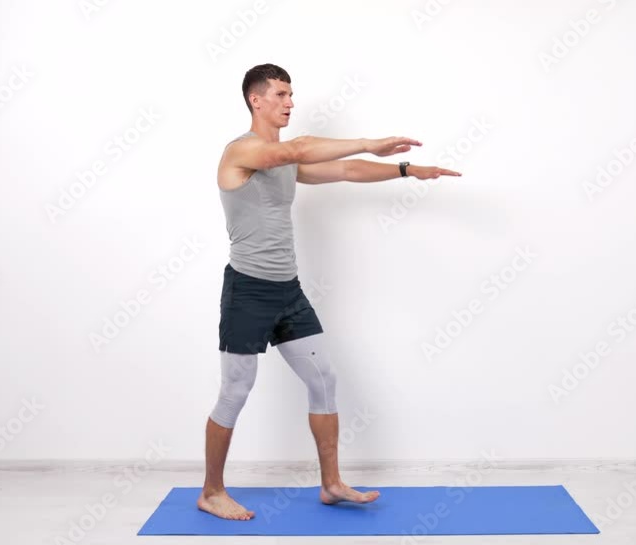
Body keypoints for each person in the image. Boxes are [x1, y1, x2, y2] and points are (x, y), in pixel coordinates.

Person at [198, 63, 462, 520]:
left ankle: (332, 484)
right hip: (247, 290)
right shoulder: (241, 151)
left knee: (324, 379)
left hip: (288, 291)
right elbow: (299, 148)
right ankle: (211, 491)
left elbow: (347, 170)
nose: (290, 102)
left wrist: (405, 169)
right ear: (255, 100)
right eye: (280, 94)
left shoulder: (286, 161)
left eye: (291, 94)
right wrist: (369, 140)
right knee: (236, 390)